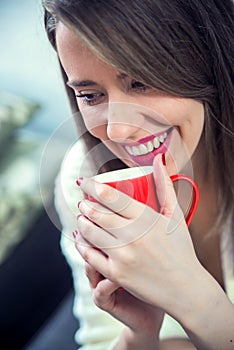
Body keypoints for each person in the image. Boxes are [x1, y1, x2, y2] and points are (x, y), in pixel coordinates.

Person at [42, 0, 234, 349]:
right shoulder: (86, 176)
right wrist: (140, 335)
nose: (116, 129)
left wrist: (192, 296)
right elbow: (102, 341)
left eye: (140, 82)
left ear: (206, 54)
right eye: (90, 95)